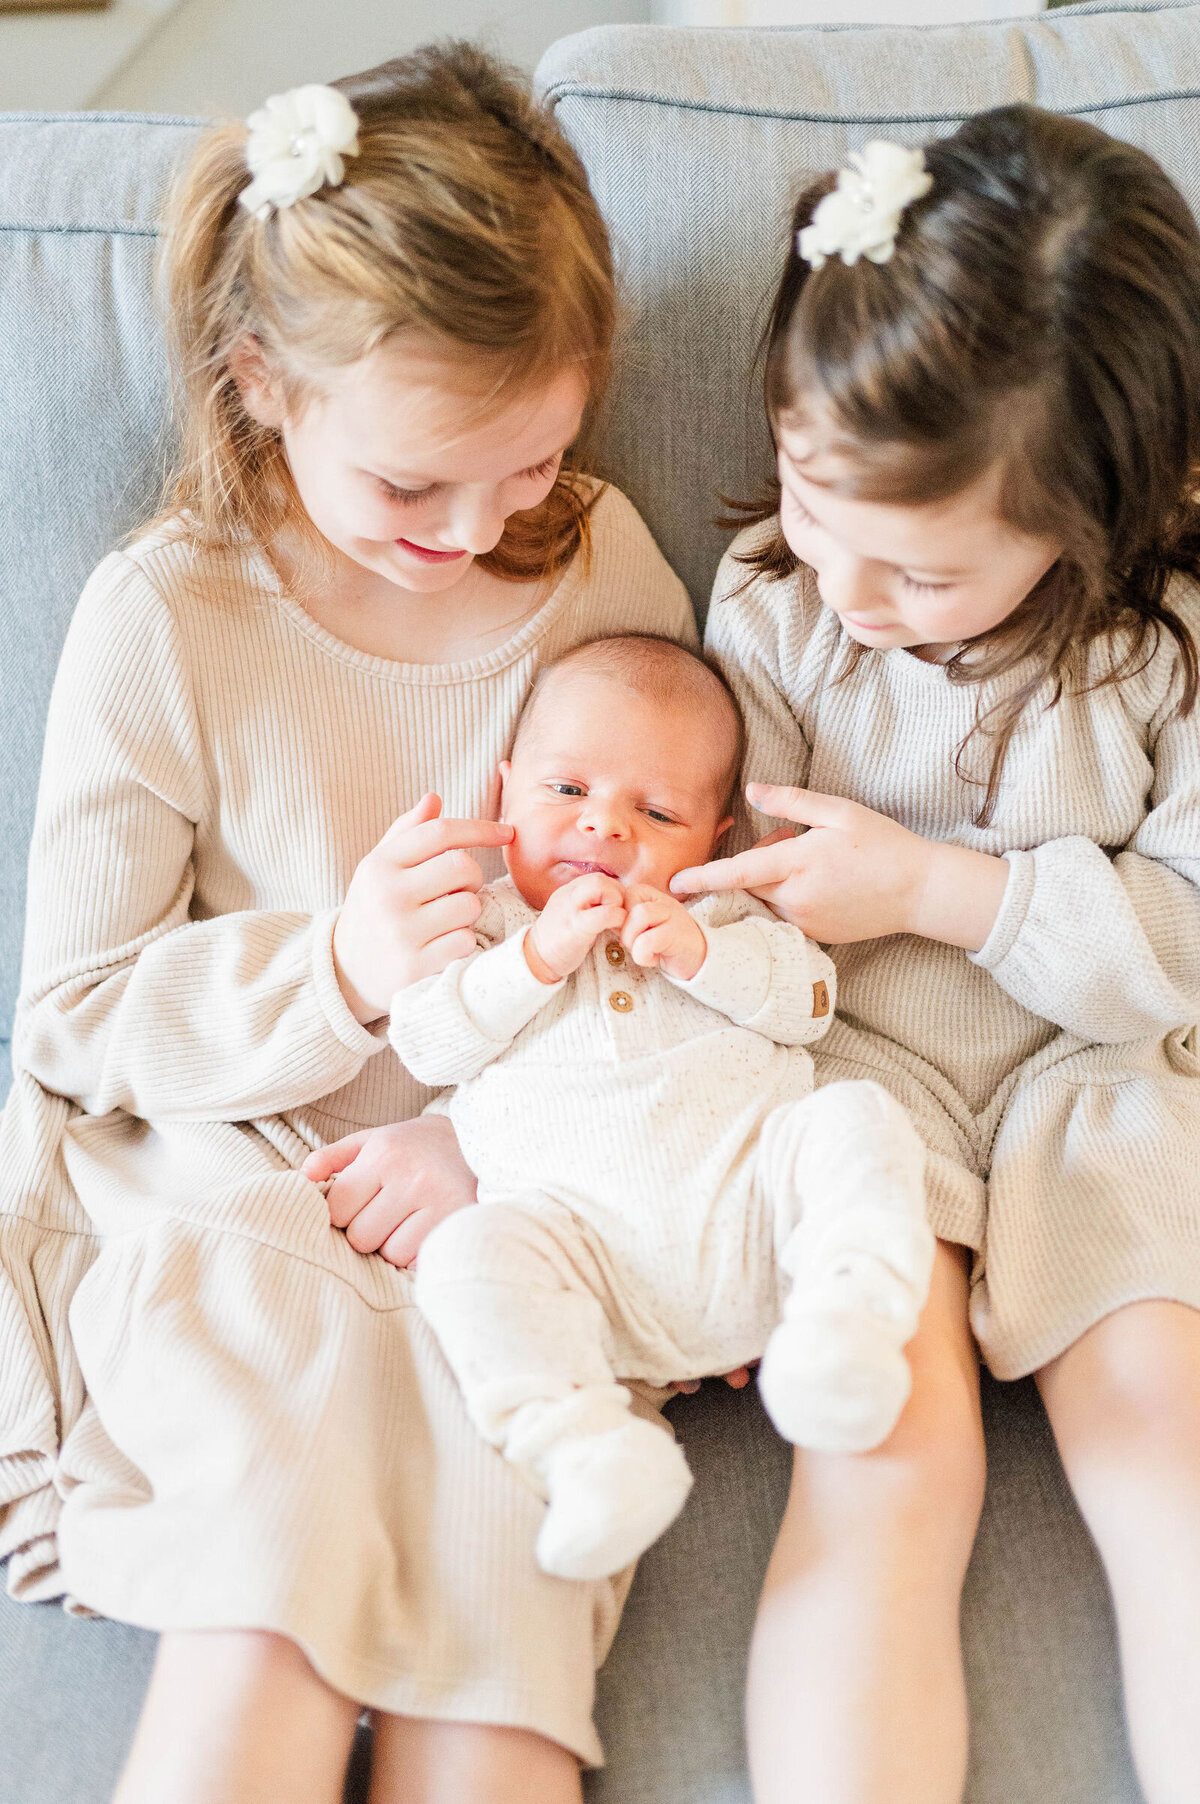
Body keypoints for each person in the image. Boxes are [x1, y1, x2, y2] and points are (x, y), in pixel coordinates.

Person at [0, 44, 697, 1804]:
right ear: (264, 384)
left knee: (503, 1679)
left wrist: (487, 1129)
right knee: (262, 1640)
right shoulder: (167, 615)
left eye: (531, 463)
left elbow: (685, 939)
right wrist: (339, 965)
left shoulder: (602, 568)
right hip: (254, 1198)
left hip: (520, 1221)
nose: (476, 530)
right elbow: (71, 1012)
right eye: (413, 488)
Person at [670, 109, 1200, 1804]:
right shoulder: (767, 615)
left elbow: (1182, 943)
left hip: (1101, 1080)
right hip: (854, 1090)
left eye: (918, 568)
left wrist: (936, 883)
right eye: (819, 512)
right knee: (884, 1466)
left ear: (1093, 511)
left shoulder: (1159, 656)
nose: (850, 585)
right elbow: (716, 903)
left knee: (1163, 1452)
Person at [387, 635, 933, 1581]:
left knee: (854, 1119)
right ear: (504, 793)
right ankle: (589, 1449)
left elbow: (811, 1008)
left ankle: (845, 1328)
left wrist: (701, 954)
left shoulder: (726, 918)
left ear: (714, 839)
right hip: (586, 1267)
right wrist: (535, 961)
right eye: (566, 793)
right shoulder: (479, 932)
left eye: (657, 810)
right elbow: (427, 1042)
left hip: (760, 1226)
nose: (603, 830)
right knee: (469, 1256)